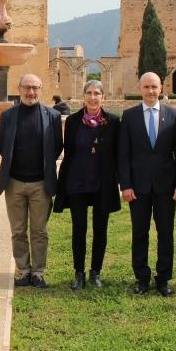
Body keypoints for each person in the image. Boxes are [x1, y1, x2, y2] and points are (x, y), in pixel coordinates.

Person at [118, 72, 176, 297]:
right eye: (146, 87)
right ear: (140, 88)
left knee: (165, 232)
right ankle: (142, 277)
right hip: (138, 187)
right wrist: (125, 185)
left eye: (154, 87)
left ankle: (164, 278)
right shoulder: (129, 117)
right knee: (140, 232)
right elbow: (123, 154)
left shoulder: (173, 115)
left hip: (166, 187)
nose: (150, 91)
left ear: (161, 88)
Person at [0, 74, 62, 289]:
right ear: (19, 88)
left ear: (41, 89)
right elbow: (2, 147)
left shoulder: (52, 116)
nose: (31, 92)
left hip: (41, 184)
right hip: (14, 183)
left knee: (39, 231)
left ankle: (38, 273)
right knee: (18, 230)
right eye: (27, 87)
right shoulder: (8, 116)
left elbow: (57, 147)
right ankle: (23, 271)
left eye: (35, 87)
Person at [55, 79, 120, 290]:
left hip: (102, 183)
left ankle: (95, 272)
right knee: (79, 229)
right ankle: (79, 273)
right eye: (89, 93)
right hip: (78, 182)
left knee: (100, 229)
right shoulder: (73, 121)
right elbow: (69, 151)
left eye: (97, 93)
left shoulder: (112, 121)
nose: (93, 97)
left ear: (103, 97)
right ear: (83, 96)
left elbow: (117, 154)